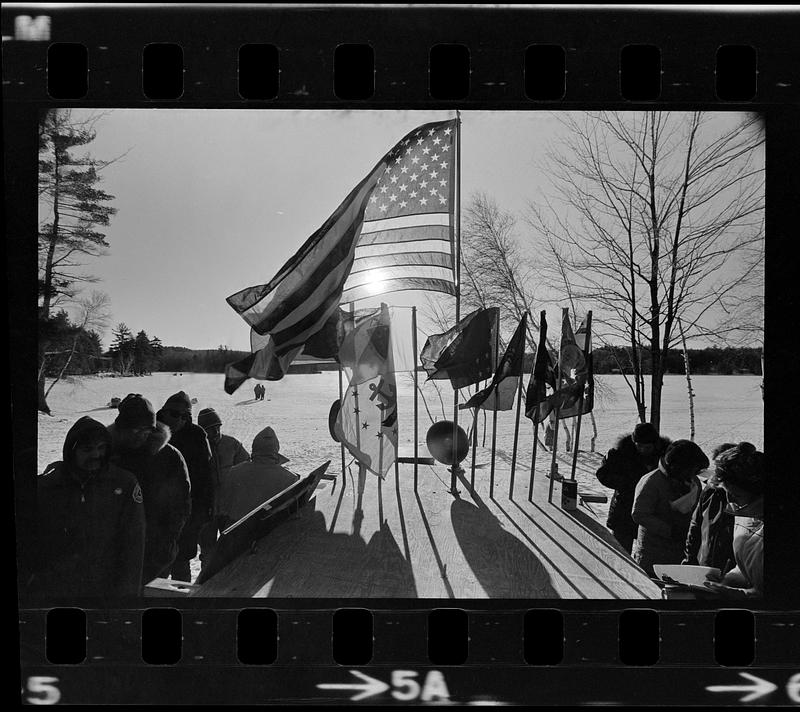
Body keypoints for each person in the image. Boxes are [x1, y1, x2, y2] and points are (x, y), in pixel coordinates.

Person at [32, 416, 146, 599]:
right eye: (87, 449)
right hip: (57, 590)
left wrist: (127, 595)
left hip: (105, 591)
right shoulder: (50, 485)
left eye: (101, 448)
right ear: (72, 451)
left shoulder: (124, 484)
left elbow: (133, 545)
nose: (96, 455)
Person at [108, 394, 191, 584]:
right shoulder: (108, 453)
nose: (140, 434)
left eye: (146, 429)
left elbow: (181, 505)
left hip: (155, 551)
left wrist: (166, 544)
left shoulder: (169, 457)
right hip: (112, 552)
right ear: (121, 428)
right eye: (134, 429)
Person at [156, 391, 214, 582]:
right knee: (157, 567)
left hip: (187, 512)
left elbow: (206, 476)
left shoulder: (196, 436)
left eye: (186, 416)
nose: (180, 419)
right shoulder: (150, 431)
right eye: (174, 414)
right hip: (157, 514)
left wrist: (204, 510)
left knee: (181, 563)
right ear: (163, 412)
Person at [631, 439, 707, 577]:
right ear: (678, 467)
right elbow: (639, 514)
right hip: (653, 553)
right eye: (690, 469)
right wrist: (669, 531)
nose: (693, 473)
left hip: (680, 550)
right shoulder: (652, 482)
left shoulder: (693, 482)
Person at [595, 422, 671, 554]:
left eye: (647, 447)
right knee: (621, 553)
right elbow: (603, 474)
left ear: (655, 444)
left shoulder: (666, 456)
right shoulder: (620, 452)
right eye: (639, 446)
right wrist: (627, 484)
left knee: (647, 553)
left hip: (653, 511)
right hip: (624, 508)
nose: (643, 450)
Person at [704, 442, 764, 599]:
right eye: (726, 492)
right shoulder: (743, 512)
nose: (729, 500)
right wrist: (727, 581)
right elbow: (746, 567)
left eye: (736, 495)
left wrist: (741, 595)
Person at [217, 426, 298, 529]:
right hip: (269, 533)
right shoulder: (290, 479)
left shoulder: (234, 472)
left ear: (254, 448)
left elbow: (223, 508)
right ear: (276, 450)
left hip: (236, 533)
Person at [196, 407, 250, 560]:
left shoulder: (232, 444)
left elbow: (246, 466)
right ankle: (205, 581)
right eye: (209, 430)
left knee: (231, 549)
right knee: (207, 551)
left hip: (230, 506)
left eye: (217, 427)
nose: (215, 432)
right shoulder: (197, 447)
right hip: (207, 509)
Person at [682, 442, 737, 573]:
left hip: (732, 571)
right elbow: (695, 526)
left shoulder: (744, 498)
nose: (718, 473)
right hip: (705, 563)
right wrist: (689, 559)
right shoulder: (710, 491)